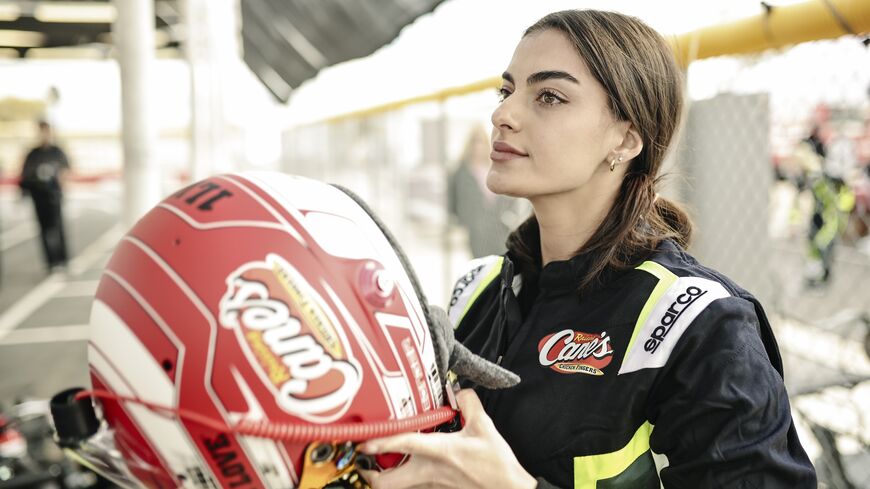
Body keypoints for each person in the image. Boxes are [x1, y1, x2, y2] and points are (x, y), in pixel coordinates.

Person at [360, 9, 816, 489]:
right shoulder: (478, 288)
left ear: (625, 137)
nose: (503, 114)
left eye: (550, 97)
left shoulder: (698, 324)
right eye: (507, 90)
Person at [448, 126, 521, 257]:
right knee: (481, 266)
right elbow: (452, 202)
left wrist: (509, 217)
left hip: (499, 228)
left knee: (502, 264)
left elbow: (510, 196)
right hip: (475, 231)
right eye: (475, 141)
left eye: (481, 141)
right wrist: (464, 223)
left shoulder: (496, 167)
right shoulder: (460, 172)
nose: (478, 146)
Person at [19, 120, 70, 273]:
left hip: (54, 195)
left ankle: (63, 259)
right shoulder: (33, 154)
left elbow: (65, 171)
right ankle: (51, 262)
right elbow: (25, 174)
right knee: (43, 229)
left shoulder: (57, 152)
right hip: (38, 196)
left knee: (58, 227)